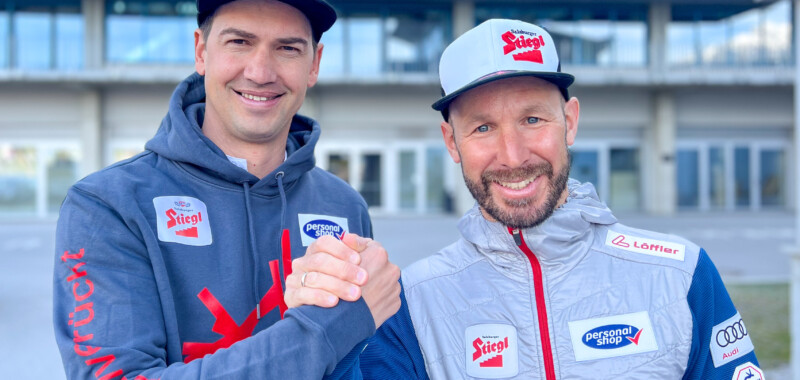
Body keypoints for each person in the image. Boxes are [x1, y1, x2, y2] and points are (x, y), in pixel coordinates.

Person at [291, 19, 762, 379]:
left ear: (570, 121)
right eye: (482, 128)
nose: (513, 156)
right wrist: (333, 331)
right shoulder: (411, 304)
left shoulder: (682, 275)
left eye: (533, 120)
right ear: (451, 143)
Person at [52, 0, 400, 378]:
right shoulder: (108, 205)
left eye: (287, 48)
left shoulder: (344, 205)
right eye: (239, 42)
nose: (261, 72)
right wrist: (327, 331)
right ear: (201, 52)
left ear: (314, 64)